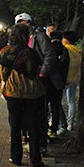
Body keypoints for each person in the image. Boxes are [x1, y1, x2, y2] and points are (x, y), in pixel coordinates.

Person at [0, 24, 46, 167]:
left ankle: (16, 157)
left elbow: (4, 74)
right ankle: (35, 159)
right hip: (33, 94)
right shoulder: (31, 53)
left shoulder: (6, 53)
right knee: (33, 126)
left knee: (15, 126)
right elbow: (37, 70)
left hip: (13, 93)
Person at [14, 13, 60, 153]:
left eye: (25, 22)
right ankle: (30, 139)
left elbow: (49, 56)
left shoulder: (39, 37)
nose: (23, 25)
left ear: (29, 23)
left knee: (40, 111)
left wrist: (41, 73)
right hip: (26, 81)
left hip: (40, 80)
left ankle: (40, 142)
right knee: (27, 111)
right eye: (20, 23)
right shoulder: (19, 40)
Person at [47, 31, 70, 136]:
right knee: (56, 106)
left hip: (48, 82)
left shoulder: (49, 48)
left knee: (45, 105)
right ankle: (54, 129)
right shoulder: (65, 50)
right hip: (60, 83)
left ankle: (46, 127)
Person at [60, 31, 82, 131]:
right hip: (75, 78)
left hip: (66, 78)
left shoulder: (66, 50)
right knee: (71, 102)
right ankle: (70, 123)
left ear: (66, 40)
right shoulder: (78, 51)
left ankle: (62, 123)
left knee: (58, 101)